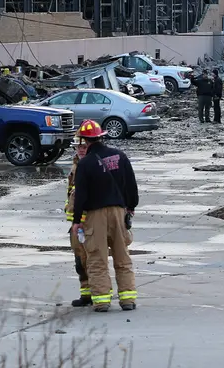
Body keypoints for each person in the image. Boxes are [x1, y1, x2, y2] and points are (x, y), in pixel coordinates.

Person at [71, 119, 139, 312]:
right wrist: (130, 208)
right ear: (102, 136)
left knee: (97, 258)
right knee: (122, 256)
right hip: (119, 212)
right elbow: (131, 186)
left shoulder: (85, 163)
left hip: (95, 215)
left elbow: (81, 195)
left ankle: (101, 301)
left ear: (85, 140)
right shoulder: (120, 156)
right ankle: (128, 300)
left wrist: (77, 221)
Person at [65, 136, 90, 306]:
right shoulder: (76, 165)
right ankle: (86, 294)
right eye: (78, 146)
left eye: (84, 146)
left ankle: (100, 293)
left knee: (94, 261)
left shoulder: (91, 165)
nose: (80, 149)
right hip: (76, 224)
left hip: (90, 222)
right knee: (80, 262)